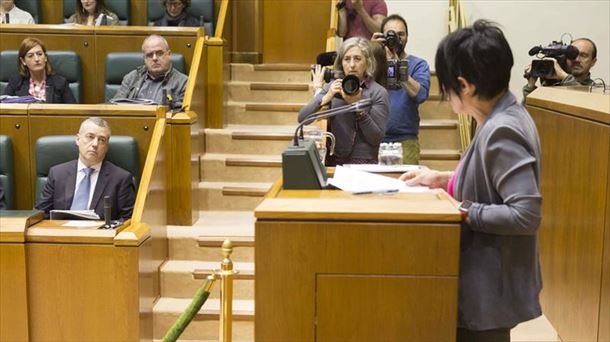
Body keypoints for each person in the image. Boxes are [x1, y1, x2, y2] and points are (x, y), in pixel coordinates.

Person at [401, 20, 542, 341]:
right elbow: (491, 180)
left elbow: (525, 215)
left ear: (465, 85)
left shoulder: (502, 130)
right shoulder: (499, 117)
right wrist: (444, 179)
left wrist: (461, 208)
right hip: (485, 287)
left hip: (487, 290)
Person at [299, 37, 389, 166]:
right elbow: (303, 118)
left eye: (357, 59)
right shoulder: (333, 86)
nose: (352, 65)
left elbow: (376, 137)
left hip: (365, 164)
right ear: (341, 63)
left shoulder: (378, 92)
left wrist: (358, 108)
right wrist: (325, 97)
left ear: (367, 62)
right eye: (347, 59)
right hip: (334, 161)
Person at [35, 117, 135, 221]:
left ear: (106, 147)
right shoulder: (57, 174)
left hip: (99, 235)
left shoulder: (120, 179)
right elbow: (41, 214)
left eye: (101, 140)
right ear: (78, 139)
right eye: (90, 137)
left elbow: (128, 220)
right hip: (61, 234)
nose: (95, 144)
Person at [371, 14, 430, 164]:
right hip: (371, 140)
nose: (396, 38)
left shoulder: (418, 64)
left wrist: (396, 64)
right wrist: (371, 52)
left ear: (407, 37)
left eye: (401, 34)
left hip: (405, 141)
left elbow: (420, 95)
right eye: (390, 34)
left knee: (405, 186)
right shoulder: (373, 62)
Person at [112, 34, 188, 107]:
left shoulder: (183, 83)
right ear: (144, 59)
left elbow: (180, 114)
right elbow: (115, 108)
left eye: (159, 53)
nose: (154, 58)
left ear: (169, 54)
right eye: (149, 55)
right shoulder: (131, 78)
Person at [3, 37, 76, 104]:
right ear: (23, 61)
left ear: (45, 57)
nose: (37, 59)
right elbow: (3, 108)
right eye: (30, 56)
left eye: (39, 54)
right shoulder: (15, 82)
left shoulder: (60, 83)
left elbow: (74, 112)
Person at [523, 38, 597, 99]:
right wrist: (530, 86)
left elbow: (584, 100)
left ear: (593, 62)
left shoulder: (597, 90)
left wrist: (564, 77)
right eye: (572, 55)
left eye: (583, 55)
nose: (576, 60)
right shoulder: (552, 85)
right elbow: (524, 115)